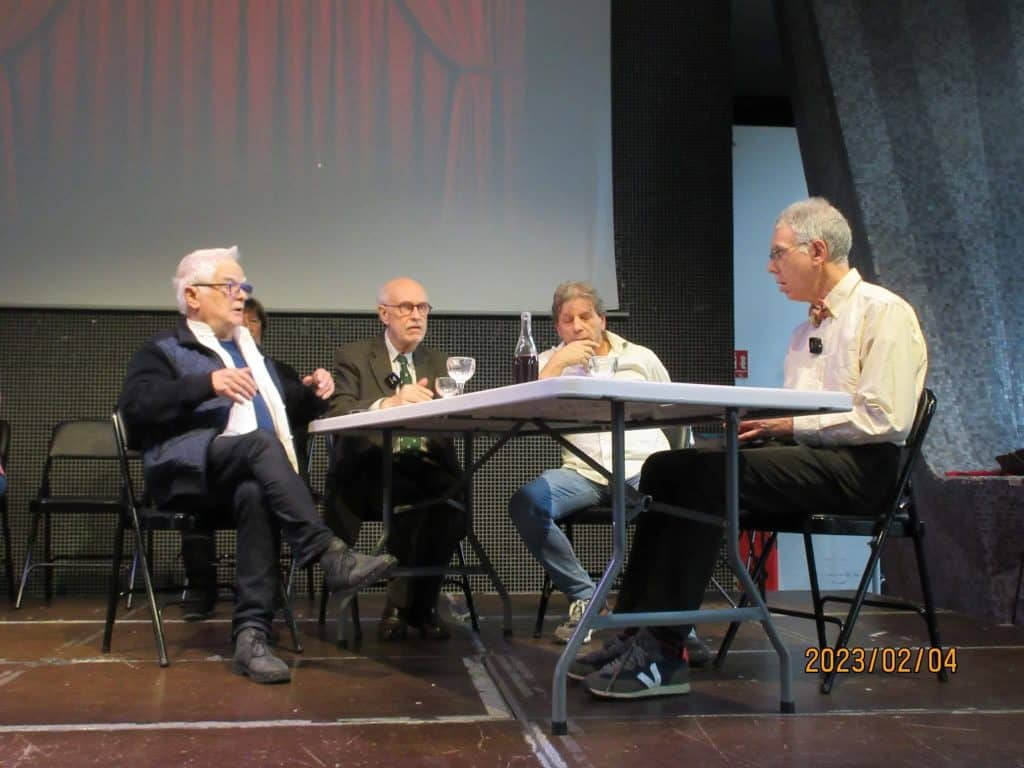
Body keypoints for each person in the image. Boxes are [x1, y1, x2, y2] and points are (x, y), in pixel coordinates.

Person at [575, 197, 928, 700]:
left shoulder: (883, 312)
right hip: (816, 459)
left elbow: (886, 419)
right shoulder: (805, 329)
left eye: (779, 253)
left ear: (817, 250)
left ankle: (664, 652)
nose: (770, 266)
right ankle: (634, 630)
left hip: (862, 471)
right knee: (665, 467)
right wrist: (773, 427)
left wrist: (786, 427)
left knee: (703, 478)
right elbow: (804, 417)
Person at [119, 246, 397, 684]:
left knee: (256, 492)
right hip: (188, 471)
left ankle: (252, 636)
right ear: (193, 296)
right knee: (258, 446)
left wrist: (310, 392)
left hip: (240, 477)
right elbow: (135, 410)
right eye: (229, 286)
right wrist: (205, 382)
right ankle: (327, 554)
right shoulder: (165, 351)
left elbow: (286, 411)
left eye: (244, 287)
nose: (240, 295)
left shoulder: (253, 354)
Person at [508, 281, 706, 662]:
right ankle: (586, 598)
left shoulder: (640, 358)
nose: (578, 326)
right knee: (526, 503)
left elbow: (679, 413)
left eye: (585, 317)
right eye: (568, 320)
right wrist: (559, 364)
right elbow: (520, 405)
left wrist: (682, 467)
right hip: (583, 473)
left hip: (639, 469)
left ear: (601, 319)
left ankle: (673, 621)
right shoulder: (550, 361)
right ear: (558, 328)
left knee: (675, 508)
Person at [324, 277, 467, 641]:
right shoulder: (354, 357)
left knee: (453, 498)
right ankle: (404, 606)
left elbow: (455, 415)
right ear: (383, 314)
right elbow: (337, 412)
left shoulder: (437, 361)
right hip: (369, 468)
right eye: (406, 308)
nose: (416, 315)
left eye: (423, 308)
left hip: (427, 463)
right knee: (410, 499)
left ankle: (421, 605)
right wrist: (387, 403)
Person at [178, 297, 331, 621]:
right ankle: (200, 585)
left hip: (262, 480)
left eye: (254, 321)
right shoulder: (203, 365)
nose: (246, 326)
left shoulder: (277, 371)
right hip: (215, 473)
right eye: (239, 318)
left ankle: (259, 607)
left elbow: (302, 412)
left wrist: (315, 390)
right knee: (227, 468)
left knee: (258, 490)